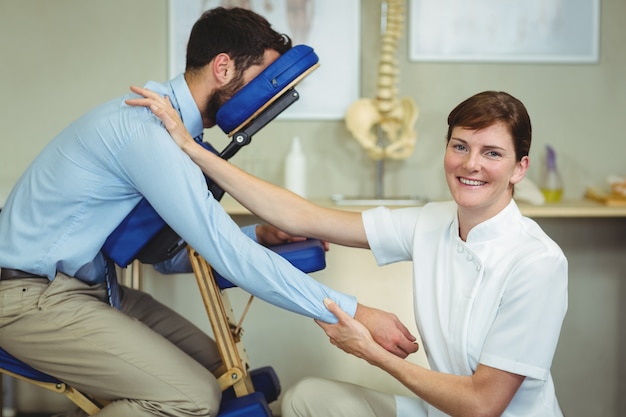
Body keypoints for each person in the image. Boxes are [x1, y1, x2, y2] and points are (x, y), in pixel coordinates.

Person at [0, 7, 418, 417]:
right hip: (30, 298)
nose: (265, 97)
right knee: (193, 396)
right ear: (223, 67)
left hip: (91, 291)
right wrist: (354, 312)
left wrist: (258, 235)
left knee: (224, 374)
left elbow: (162, 253)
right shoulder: (145, 131)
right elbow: (225, 253)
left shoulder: (175, 131)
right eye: (261, 80)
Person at [128, 89, 568, 417]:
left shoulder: (537, 263)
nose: (471, 165)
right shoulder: (433, 221)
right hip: (440, 413)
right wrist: (191, 150)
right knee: (304, 399)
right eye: (460, 146)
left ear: (519, 169)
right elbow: (304, 216)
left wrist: (370, 350)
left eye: (492, 153)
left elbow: (482, 404)